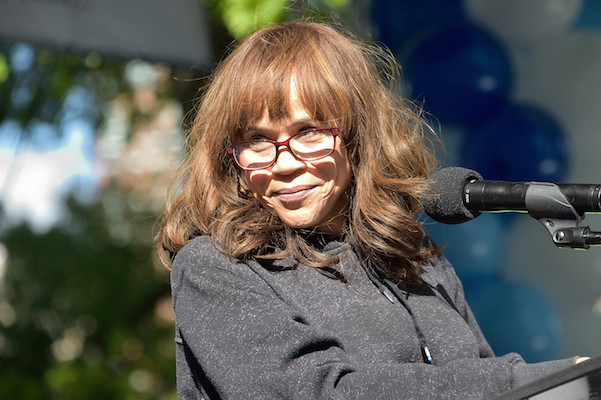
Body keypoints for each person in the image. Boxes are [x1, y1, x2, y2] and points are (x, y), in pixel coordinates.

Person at [156, 20, 588, 399]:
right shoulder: (215, 268)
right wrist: (551, 378)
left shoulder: (413, 257)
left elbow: (481, 377)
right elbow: (321, 394)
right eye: (256, 140)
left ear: (358, 136)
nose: (283, 163)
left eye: (308, 132)